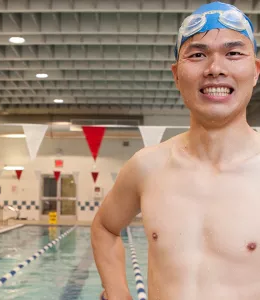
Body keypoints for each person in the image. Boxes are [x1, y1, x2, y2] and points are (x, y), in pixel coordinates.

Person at [91, 1, 260, 299]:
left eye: (233, 53)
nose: (215, 69)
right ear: (176, 75)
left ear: (256, 70)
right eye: (197, 55)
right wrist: (117, 292)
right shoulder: (147, 167)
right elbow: (105, 227)